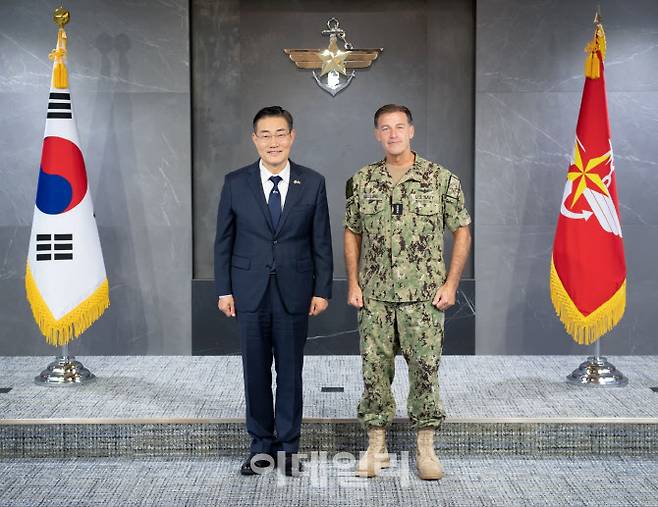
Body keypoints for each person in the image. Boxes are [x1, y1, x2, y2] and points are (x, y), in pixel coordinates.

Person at [344, 104, 471, 480]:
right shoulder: (362, 180)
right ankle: (376, 445)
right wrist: (353, 281)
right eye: (385, 128)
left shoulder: (441, 179)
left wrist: (451, 283)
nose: (393, 134)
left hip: (424, 298)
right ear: (376, 135)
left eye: (399, 127)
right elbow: (352, 230)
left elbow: (461, 229)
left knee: (425, 372)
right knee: (374, 372)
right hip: (376, 297)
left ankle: (426, 449)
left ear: (412, 131)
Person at [214, 106, 333, 476]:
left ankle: (289, 447)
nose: (273, 142)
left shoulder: (312, 182)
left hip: (296, 292)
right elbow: (223, 241)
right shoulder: (236, 182)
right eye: (265, 135)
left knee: (291, 372)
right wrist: (224, 290)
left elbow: (321, 242)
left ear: (292, 137)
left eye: (280, 134)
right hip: (248, 292)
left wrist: (322, 289)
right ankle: (260, 445)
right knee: (255, 371)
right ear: (254, 140)